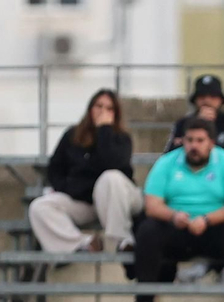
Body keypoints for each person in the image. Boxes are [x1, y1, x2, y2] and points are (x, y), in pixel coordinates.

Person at [131, 118, 224, 302]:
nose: (194, 146)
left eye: (200, 140)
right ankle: (144, 301)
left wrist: (207, 219)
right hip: (178, 228)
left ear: (211, 143)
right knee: (148, 230)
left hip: (214, 229)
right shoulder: (166, 162)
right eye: (190, 140)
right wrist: (173, 216)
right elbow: (152, 205)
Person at [29, 89, 142, 255]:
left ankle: (122, 240)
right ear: (90, 109)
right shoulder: (72, 135)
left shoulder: (121, 138)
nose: (103, 112)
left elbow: (113, 164)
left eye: (109, 109)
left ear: (115, 114)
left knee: (110, 178)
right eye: (99, 106)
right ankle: (83, 244)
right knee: (39, 206)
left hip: (117, 199)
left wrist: (104, 130)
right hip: (84, 201)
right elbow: (55, 168)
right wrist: (67, 187)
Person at [165, 74, 224, 162]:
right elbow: (170, 156)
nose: (207, 101)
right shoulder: (183, 124)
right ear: (195, 100)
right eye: (202, 97)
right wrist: (197, 122)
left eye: (213, 97)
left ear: (220, 100)